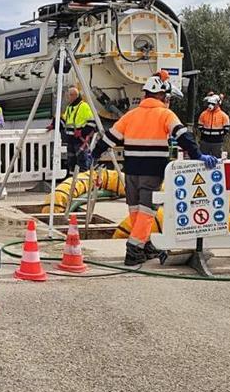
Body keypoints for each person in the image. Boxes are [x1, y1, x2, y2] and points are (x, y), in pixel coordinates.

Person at [89, 71, 218, 266]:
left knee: (135, 208)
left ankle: (145, 244)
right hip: (152, 170)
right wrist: (198, 156)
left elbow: (109, 138)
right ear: (161, 95)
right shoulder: (165, 114)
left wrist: (94, 155)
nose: (168, 100)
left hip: (131, 170)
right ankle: (134, 249)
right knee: (147, 211)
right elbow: (183, 136)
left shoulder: (130, 116)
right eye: (166, 97)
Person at [48, 86, 96, 176]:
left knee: (82, 161)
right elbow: (63, 120)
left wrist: (82, 132)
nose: (67, 98)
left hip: (80, 140)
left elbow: (92, 123)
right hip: (71, 140)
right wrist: (53, 125)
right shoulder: (70, 107)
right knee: (71, 161)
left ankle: (82, 182)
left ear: (74, 96)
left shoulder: (84, 106)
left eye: (68, 96)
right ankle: (72, 181)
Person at [197, 93, 230, 157]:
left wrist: (219, 135)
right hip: (205, 141)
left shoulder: (223, 115)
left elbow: (226, 128)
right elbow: (200, 125)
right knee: (203, 160)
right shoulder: (203, 114)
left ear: (218, 104)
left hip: (217, 142)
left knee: (217, 160)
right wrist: (205, 133)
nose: (210, 105)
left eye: (213, 104)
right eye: (209, 103)